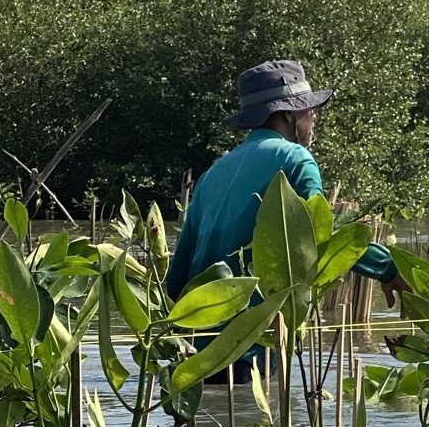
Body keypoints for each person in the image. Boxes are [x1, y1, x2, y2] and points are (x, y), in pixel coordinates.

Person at [165, 59, 399, 304]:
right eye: (309, 108)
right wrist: (388, 267)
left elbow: (178, 271)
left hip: (198, 328)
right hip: (257, 327)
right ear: (288, 113)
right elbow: (320, 234)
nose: (314, 117)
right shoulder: (295, 159)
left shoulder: (211, 174)